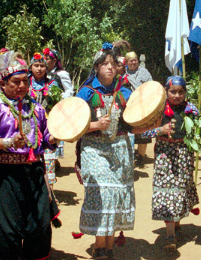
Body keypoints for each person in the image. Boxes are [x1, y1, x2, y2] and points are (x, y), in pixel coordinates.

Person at [76, 43, 158, 260]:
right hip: (93, 148)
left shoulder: (125, 92)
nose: (110, 68)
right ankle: (99, 246)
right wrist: (95, 126)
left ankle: (108, 248)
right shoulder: (85, 93)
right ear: (96, 68)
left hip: (121, 149)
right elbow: (72, 127)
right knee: (102, 192)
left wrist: (153, 125)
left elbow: (131, 126)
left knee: (115, 195)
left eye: (113, 64)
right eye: (104, 64)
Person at [0, 50, 59, 260]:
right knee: (7, 228)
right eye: (16, 82)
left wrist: (55, 137)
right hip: (5, 176)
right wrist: (8, 142)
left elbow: (46, 137)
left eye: (25, 81)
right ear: (3, 84)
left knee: (38, 223)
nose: (22, 86)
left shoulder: (37, 109)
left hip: (34, 173)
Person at [142, 76, 199, 252]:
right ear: (166, 91)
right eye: (173, 91)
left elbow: (196, 131)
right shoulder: (157, 109)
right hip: (164, 156)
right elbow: (143, 133)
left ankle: (176, 222)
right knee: (167, 192)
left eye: (181, 92)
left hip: (183, 154)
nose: (177, 95)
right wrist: (160, 130)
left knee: (180, 189)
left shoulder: (191, 110)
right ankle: (170, 235)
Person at [29, 51, 63, 186]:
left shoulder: (53, 84)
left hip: (48, 126)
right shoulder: (25, 83)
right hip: (29, 127)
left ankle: (51, 194)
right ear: (31, 67)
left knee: (49, 158)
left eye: (42, 66)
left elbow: (58, 106)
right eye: (36, 65)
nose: (39, 68)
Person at [43, 47, 73, 159]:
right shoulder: (43, 74)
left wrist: (58, 98)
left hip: (57, 108)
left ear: (54, 61)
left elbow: (69, 90)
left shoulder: (61, 74)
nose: (44, 60)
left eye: (47, 58)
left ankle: (54, 159)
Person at [125, 51, 153, 166]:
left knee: (143, 132)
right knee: (128, 131)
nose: (133, 62)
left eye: (135, 60)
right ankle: (129, 155)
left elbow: (150, 85)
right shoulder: (123, 73)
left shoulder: (144, 72)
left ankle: (141, 156)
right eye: (131, 60)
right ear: (126, 62)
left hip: (142, 105)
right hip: (128, 106)